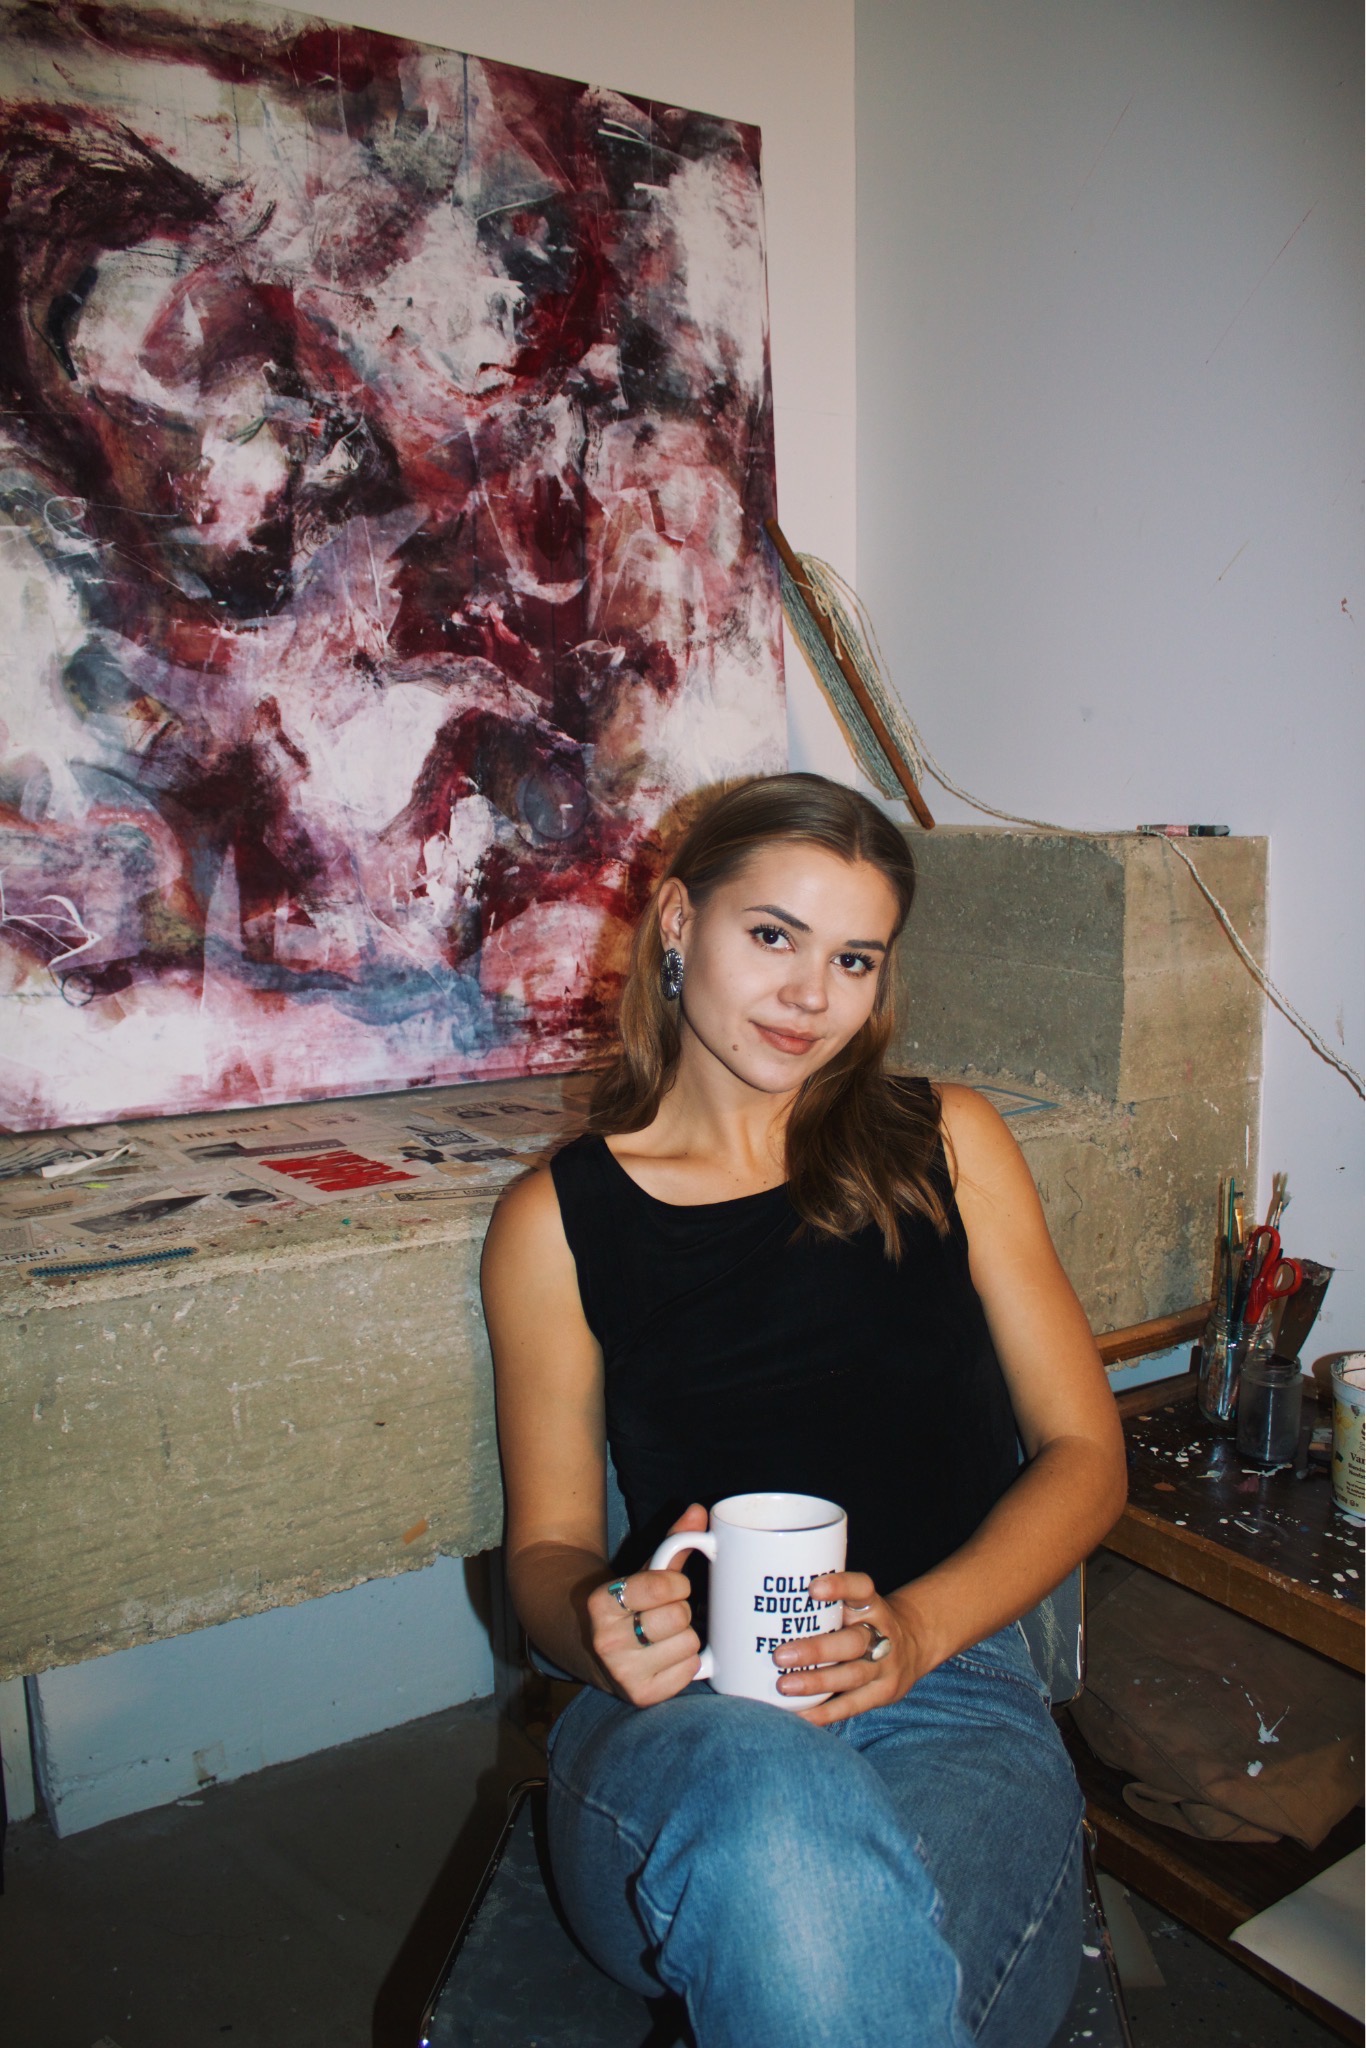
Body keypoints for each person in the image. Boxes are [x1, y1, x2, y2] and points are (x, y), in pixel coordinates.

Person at [480, 772, 1127, 2048]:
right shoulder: (558, 1218)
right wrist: (601, 1622)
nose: (810, 995)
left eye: (853, 959)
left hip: (950, 1687)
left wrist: (918, 1629)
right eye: (772, 934)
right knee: (781, 1845)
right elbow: (546, 1552)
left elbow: (1084, 1454)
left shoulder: (947, 1142)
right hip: (690, 1718)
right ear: (679, 920)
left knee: (849, 1977)